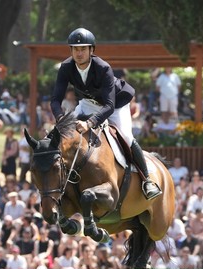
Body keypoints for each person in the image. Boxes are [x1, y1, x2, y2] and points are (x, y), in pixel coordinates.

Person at [50, 28, 162, 200]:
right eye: (75, 49)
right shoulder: (66, 67)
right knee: (62, 135)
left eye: (83, 49)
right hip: (88, 104)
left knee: (126, 137)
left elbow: (109, 105)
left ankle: (147, 180)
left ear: (91, 50)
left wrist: (89, 123)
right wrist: (60, 120)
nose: (79, 53)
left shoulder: (103, 68)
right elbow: (56, 100)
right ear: (71, 50)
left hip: (116, 104)